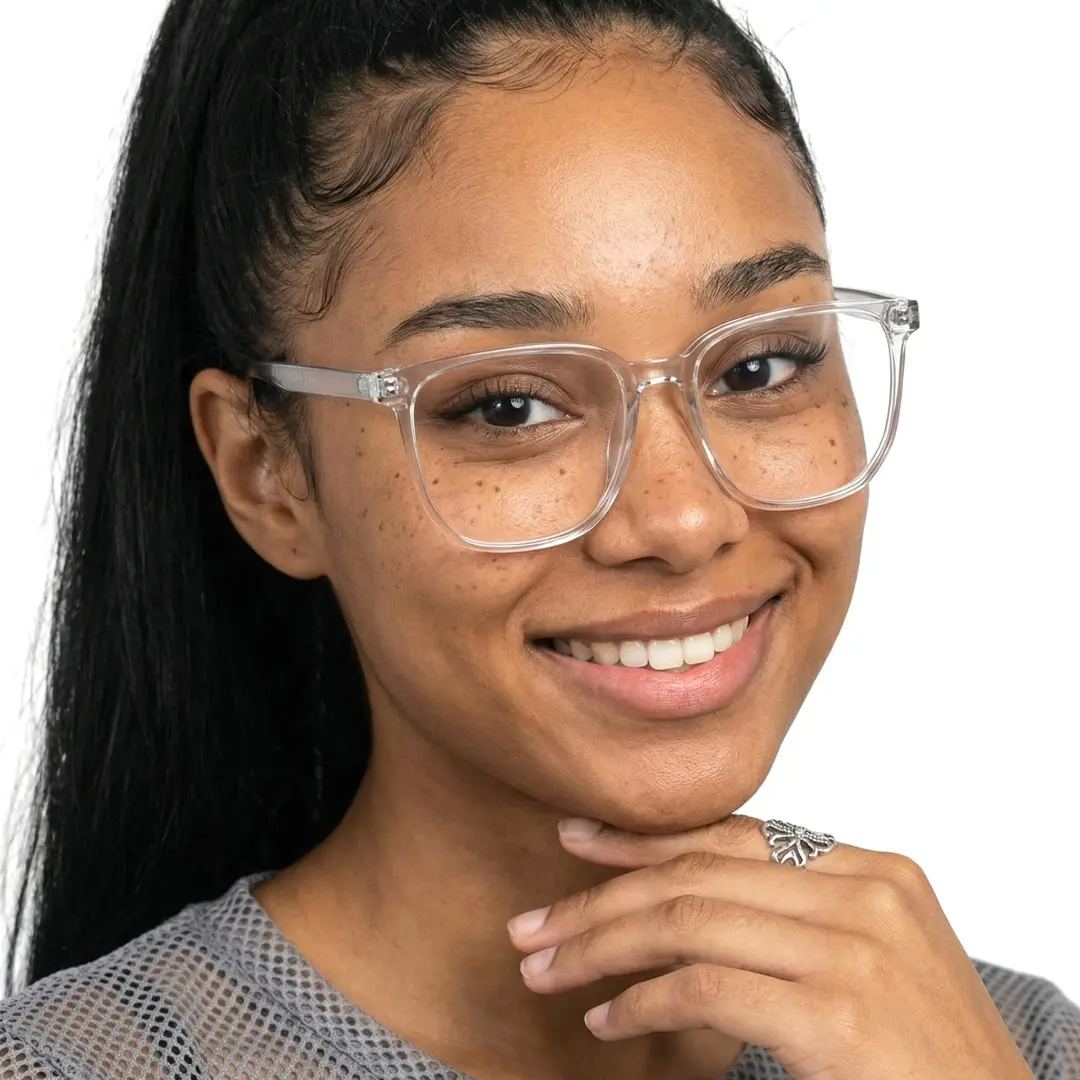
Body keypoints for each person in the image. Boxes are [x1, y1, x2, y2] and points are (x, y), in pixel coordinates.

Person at [1, 0, 1077, 1077]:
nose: (685, 520)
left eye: (760, 366)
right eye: (509, 406)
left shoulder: (1009, 1048)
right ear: (267, 475)